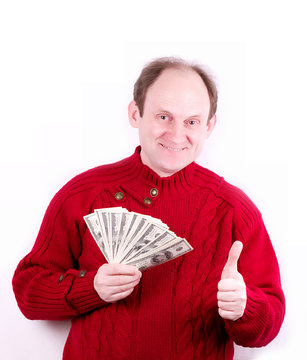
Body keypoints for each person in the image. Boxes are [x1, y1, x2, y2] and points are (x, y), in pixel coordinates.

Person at [12, 57, 285, 360]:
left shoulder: (234, 209)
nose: (176, 134)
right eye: (164, 117)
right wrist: (91, 287)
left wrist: (245, 308)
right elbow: (28, 292)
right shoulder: (82, 194)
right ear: (135, 113)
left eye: (191, 121)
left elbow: (270, 322)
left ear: (209, 126)